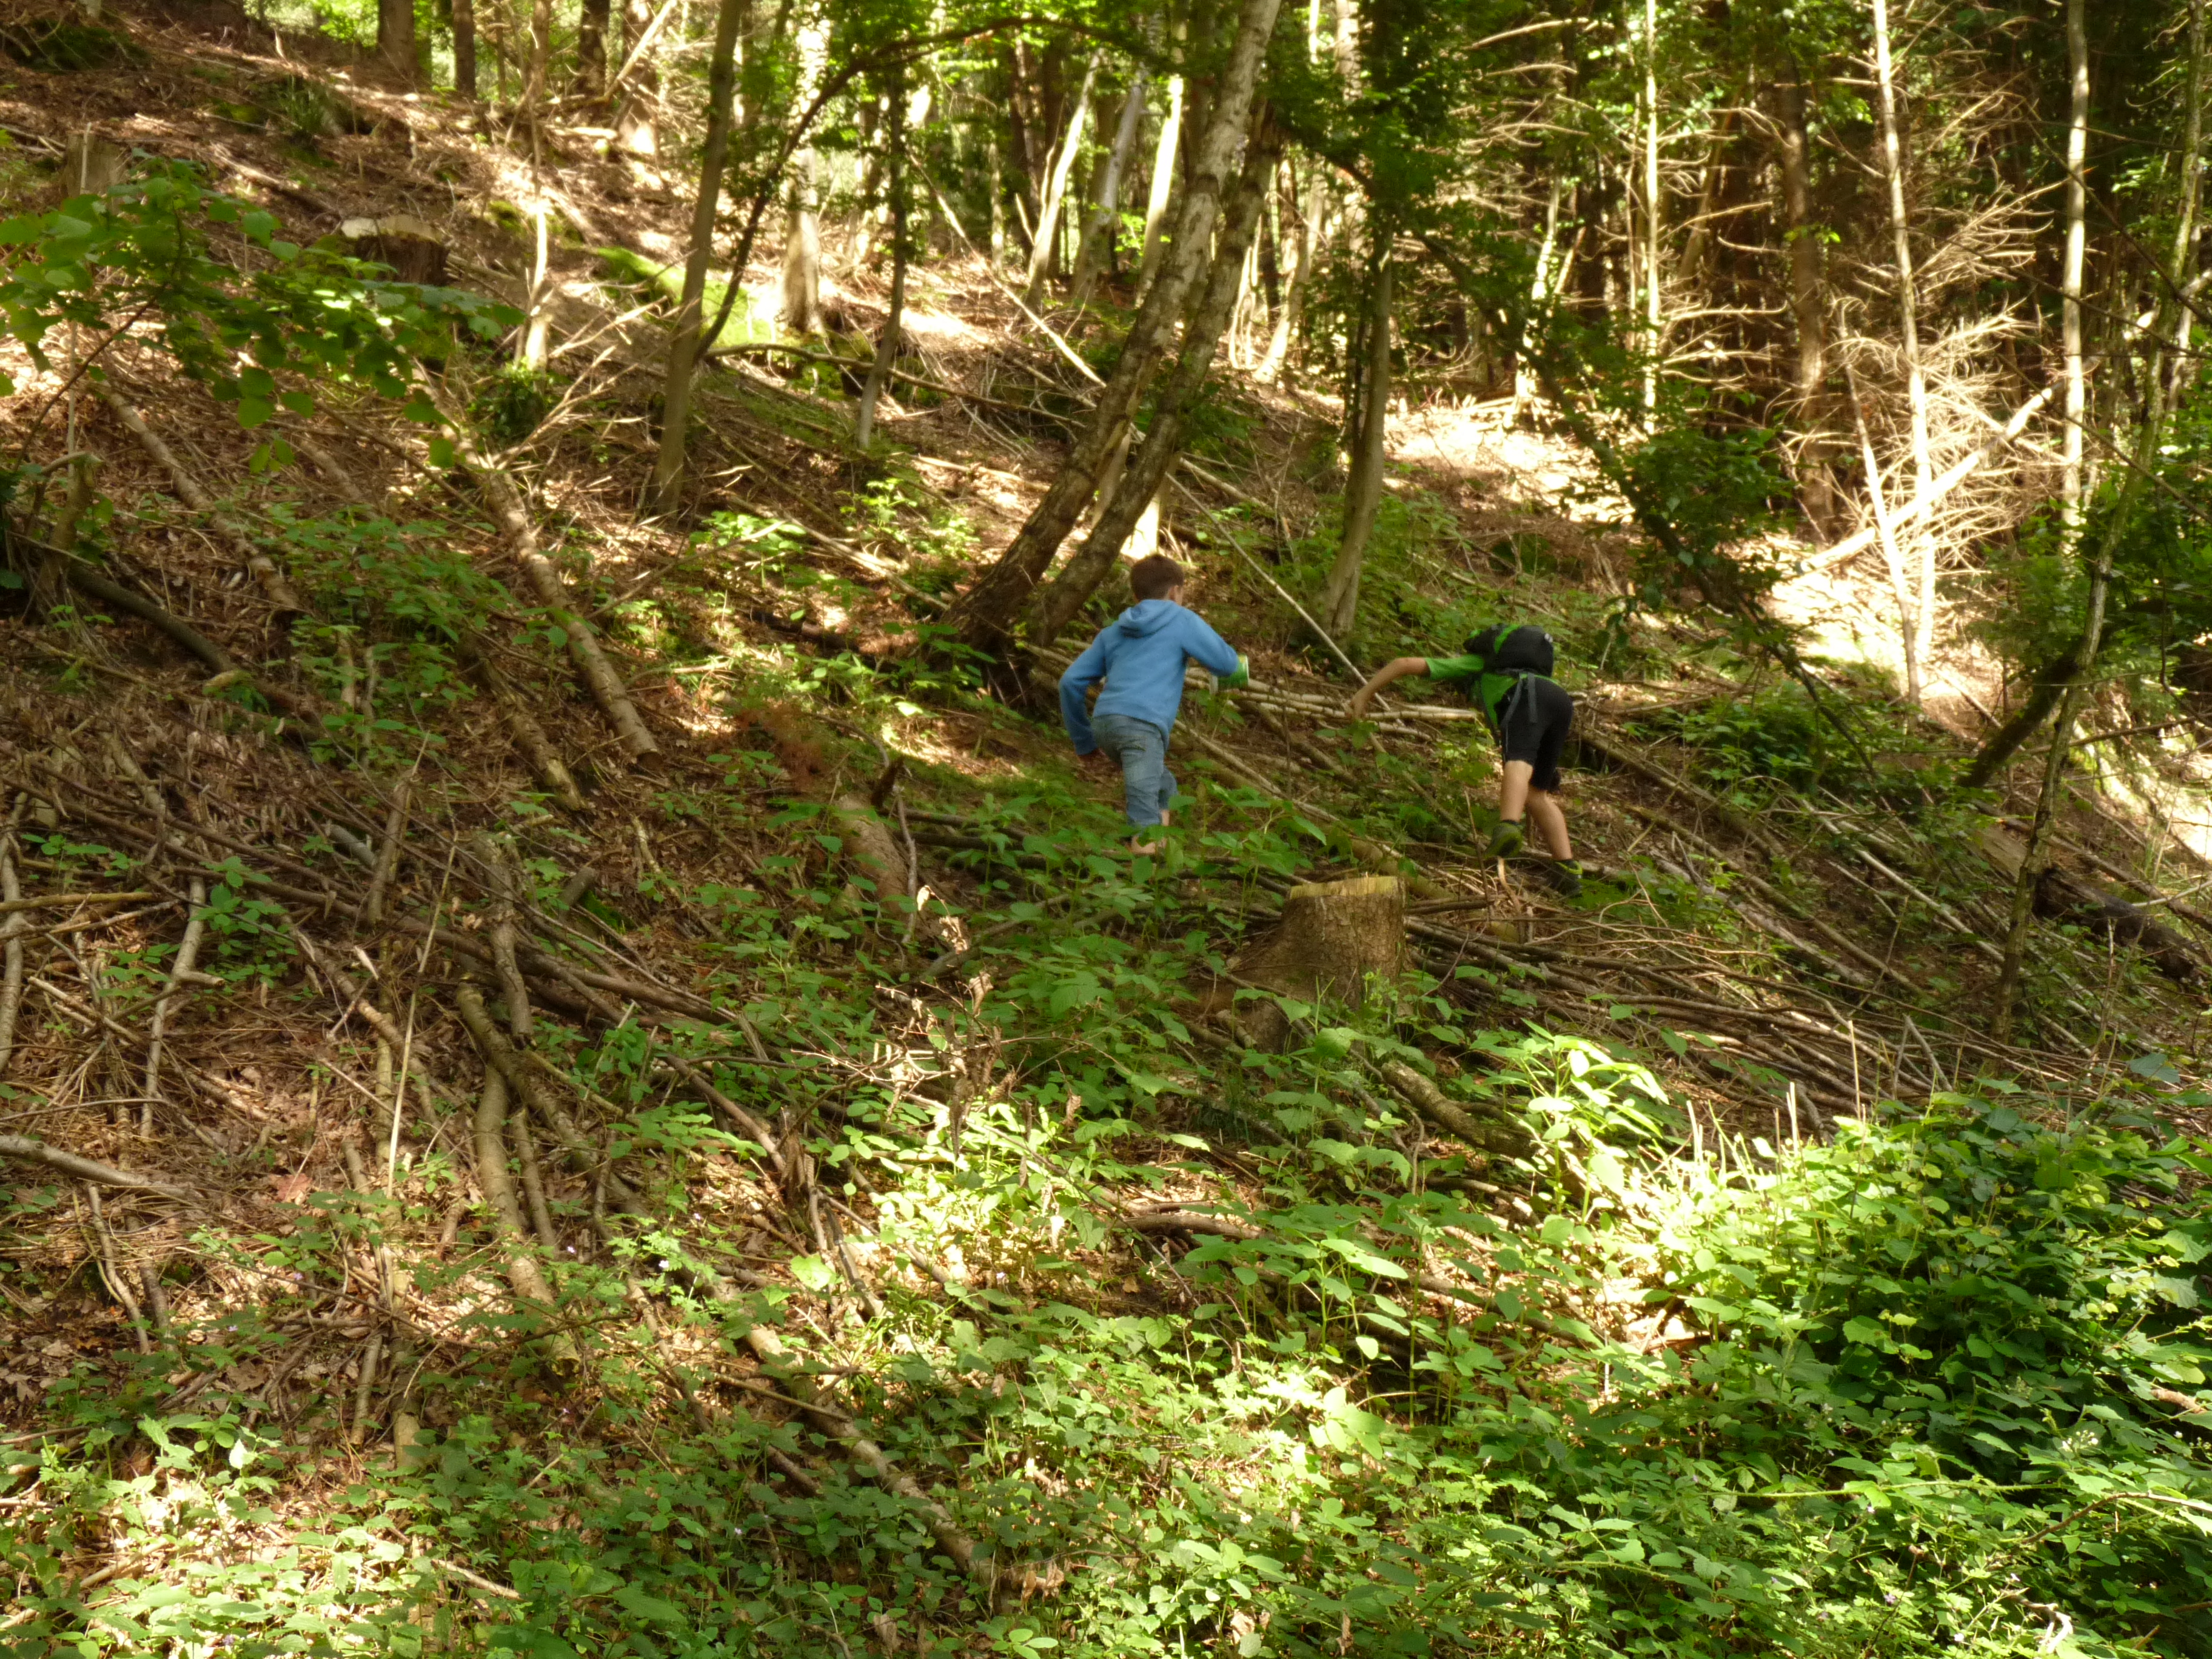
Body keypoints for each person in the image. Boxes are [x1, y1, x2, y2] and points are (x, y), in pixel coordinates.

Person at [1346, 623, 1581, 897]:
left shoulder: (1480, 664)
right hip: (1562, 702)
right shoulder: (1532, 673)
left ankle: (1508, 826)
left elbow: (1404, 663)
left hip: (1528, 696)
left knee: (1518, 761)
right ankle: (1567, 870)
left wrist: (1364, 693)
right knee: (1537, 793)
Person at [1060, 554, 1248, 851]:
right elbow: (1227, 665)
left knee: (1163, 787)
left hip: (1106, 725)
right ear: (1176, 592)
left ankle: (1157, 870)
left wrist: (1084, 741)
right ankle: (1144, 886)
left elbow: (1070, 682)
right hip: (1142, 730)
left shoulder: (1113, 632)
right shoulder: (1182, 620)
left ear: (1136, 595)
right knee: (1143, 813)